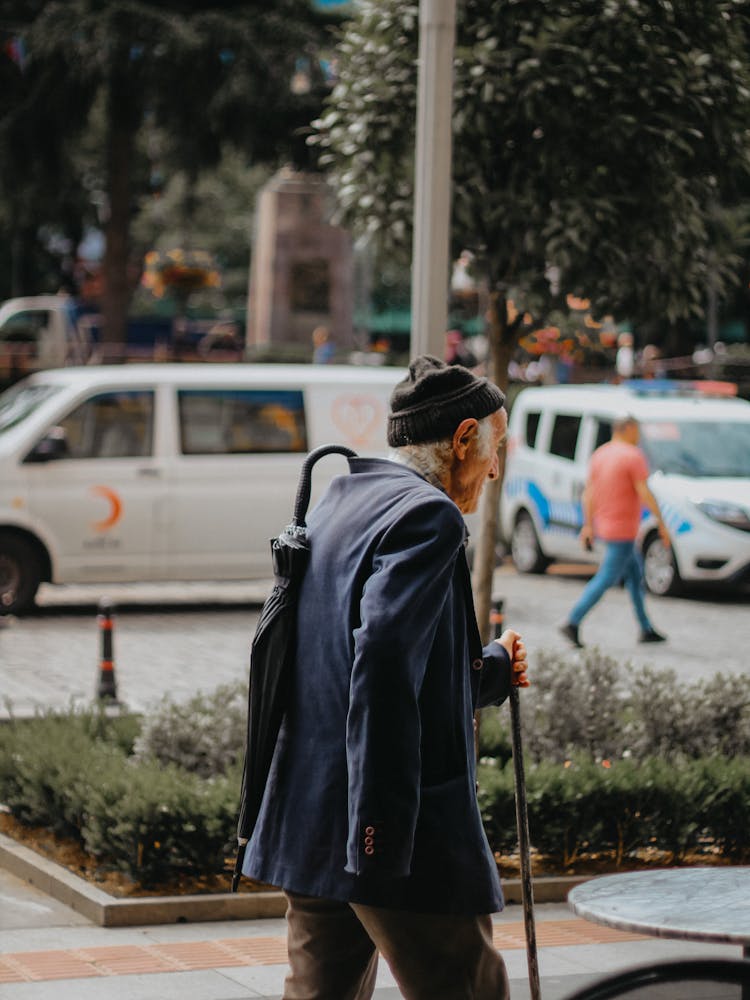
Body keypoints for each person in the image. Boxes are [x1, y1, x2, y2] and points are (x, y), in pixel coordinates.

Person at [242, 355, 529, 1000]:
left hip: (309, 820)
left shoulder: (340, 499)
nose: (495, 467)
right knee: (468, 990)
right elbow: (382, 672)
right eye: (496, 446)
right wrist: (377, 840)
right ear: (462, 439)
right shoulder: (427, 518)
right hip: (391, 838)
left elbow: (340, 660)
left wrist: (490, 669)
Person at [560, 415, 670, 648]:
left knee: (635, 575)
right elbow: (645, 492)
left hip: (607, 525)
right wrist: (662, 523)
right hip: (623, 529)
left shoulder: (600, 454)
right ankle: (573, 621)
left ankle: (645, 627)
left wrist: (588, 525)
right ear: (628, 428)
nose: (639, 435)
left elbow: (589, 493)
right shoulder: (633, 456)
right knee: (606, 578)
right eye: (637, 430)